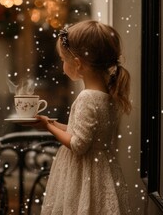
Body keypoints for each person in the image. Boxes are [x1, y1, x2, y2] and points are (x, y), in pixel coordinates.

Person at [27, 20, 132, 214]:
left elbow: (78, 144)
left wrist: (49, 129)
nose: (61, 65)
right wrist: (53, 123)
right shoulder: (106, 94)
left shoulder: (87, 97)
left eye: (63, 59)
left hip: (84, 175)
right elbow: (87, 134)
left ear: (77, 63)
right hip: (101, 171)